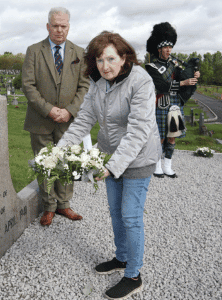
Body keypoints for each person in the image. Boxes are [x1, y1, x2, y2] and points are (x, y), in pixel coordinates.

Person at [57, 31, 161, 299]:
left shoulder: (141, 81)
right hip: (110, 156)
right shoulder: (98, 83)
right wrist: (59, 150)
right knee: (115, 213)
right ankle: (122, 258)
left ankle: (134, 275)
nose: (106, 66)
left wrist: (112, 166)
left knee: (130, 215)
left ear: (124, 57)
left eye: (111, 59)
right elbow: (83, 120)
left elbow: (138, 130)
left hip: (138, 158)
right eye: (100, 60)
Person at [22, 7, 89, 226]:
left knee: (67, 163)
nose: (59, 30)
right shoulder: (33, 51)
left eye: (64, 26)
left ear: (69, 26)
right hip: (41, 119)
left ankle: (64, 205)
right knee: (46, 164)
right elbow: (28, 85)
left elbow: (84, 87)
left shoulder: (79, 53)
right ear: (48, 26)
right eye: (55, 25)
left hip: (69, 121)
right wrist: (49, 109)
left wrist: (69, 110)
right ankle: (48, 207)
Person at [145, 22, 200, 178]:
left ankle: (167, 165)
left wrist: (194, 75)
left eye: (170, 47)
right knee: (160, 137)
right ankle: (157, 166)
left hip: (175, 104)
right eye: (165, 47)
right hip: (161, 103)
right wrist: (183, 83)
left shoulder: (175, 65)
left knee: (172, 136)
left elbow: (185, 78)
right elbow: (161, 86)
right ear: (159, 48)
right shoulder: (151, 66)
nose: (168, 50)